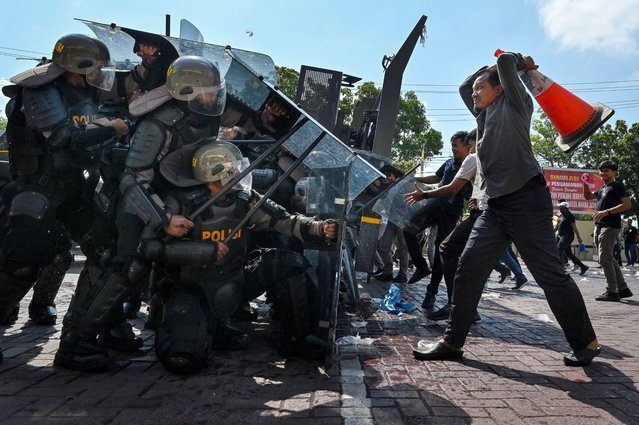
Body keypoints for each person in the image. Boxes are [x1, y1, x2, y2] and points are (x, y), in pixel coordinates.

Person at [412, 52, 600, 366]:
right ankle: (452, 342)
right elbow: (463, 87)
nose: (474, 92)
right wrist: (481, 78)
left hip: (527, 201)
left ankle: (587, 342)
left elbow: (504, 65)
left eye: (481, 87)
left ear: (500, 89)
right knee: (468, 269)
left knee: (550, 276)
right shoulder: (482, 118)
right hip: (495, 208)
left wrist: (516, 63)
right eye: (475, 90)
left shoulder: (516, 104)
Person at [137, 141, 337, 374]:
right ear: (214, 174)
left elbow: (283, 221)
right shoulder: (179, 203)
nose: (238, 175)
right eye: (231, 170)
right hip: (193, 287)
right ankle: (207, 328)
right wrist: (206, 251)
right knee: (183, 360)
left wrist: (318, 227)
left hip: (235, 280)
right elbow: (148, 248)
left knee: (291, 263)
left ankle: (298, 340)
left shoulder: (244, 199)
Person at [0, 34, 129, 331]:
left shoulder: (86, 95)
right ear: (76, 66)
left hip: (75, 188)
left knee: (107, 253)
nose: (96, 76)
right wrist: (110, 128)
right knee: (23, 260)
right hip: (39, 189)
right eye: (92, 69)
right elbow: (61, 137)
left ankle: (85, 332)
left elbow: (90, 139)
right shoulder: (40, 90)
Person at [405, 129, 477, 319]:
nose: (453, 149)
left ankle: (432, 292)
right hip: (434, 205)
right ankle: (421, 267)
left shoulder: (471, 165)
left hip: (451, 213)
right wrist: (414, 179)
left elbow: (455, 189)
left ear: (467, 147)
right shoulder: (448, 163)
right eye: (452, 145)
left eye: (456, 145)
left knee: (441, 252)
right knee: (408, 230)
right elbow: (436, 179)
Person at [583, 160, 634, 301]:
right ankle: (623, 289)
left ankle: (612, 291)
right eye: (601, 170)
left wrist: (607, 212)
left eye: (607, 170)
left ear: (614, 172)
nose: (603, 173)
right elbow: (587, 196)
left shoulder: (617, 186)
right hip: (599, 225)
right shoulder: (602, 189)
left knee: (604, 258)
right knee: (608, 258)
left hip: (610, 226)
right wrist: (585, 183)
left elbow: (627, 204)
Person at [555, 200, 589, 275]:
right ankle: (583, 267)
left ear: (565, 208)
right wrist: (552, 232)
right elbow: (557, 227)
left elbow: (574, 227)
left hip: (568, 236)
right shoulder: (561, 215)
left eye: (561, 207)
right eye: (559, 206)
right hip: (562, 236)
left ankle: (561, 267)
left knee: (558, 249)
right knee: (568, 253)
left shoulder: (570, 216)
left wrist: (578, 237)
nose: (559, 208)